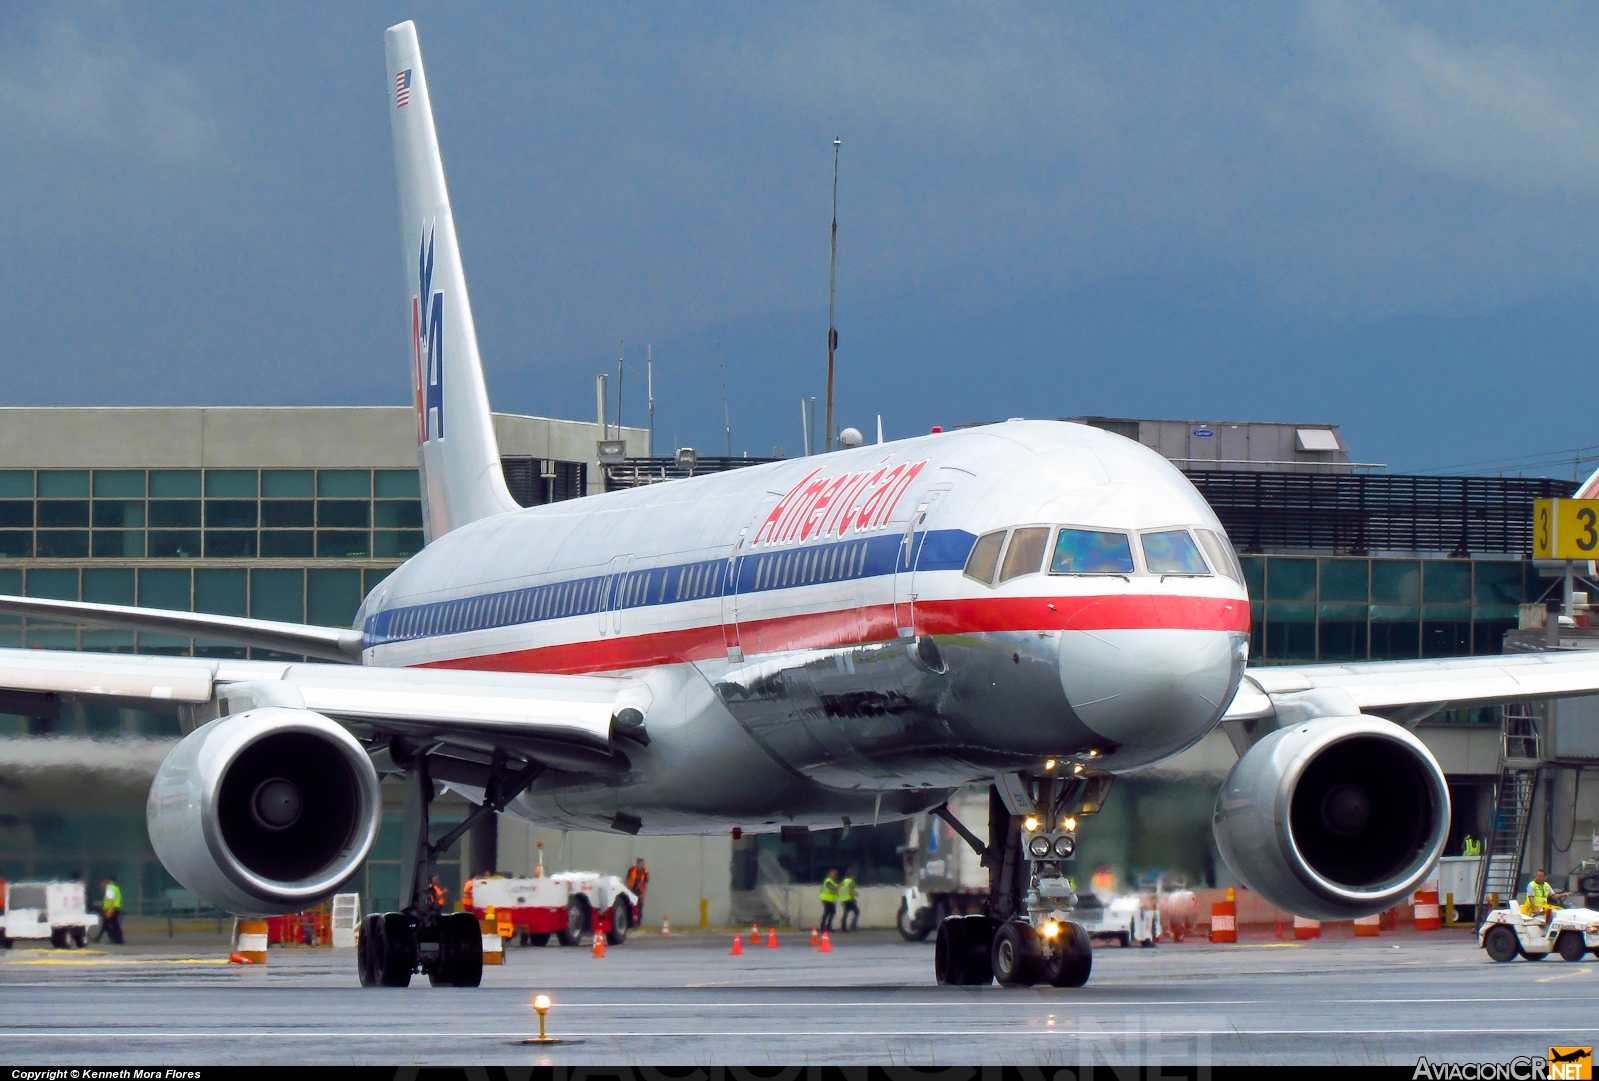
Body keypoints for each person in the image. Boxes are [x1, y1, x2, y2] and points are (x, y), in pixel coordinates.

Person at [93, 876, 124, 945]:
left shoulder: (109, 889)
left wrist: (110, 910)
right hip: (115, 909)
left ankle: (116, 939)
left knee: (109, 925)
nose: (101, 885)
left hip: (111, 910)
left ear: (105, 882)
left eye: (101, 883)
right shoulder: (115, 888)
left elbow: (111, 900)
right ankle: (117, 939)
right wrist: (101, 904)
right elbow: (109, 900)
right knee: (113, 925)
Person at [625, 858, 649, 926]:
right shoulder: (632, 870)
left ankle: (638, 924)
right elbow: (627, 879)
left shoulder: (645, 872)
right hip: (632, 891)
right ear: (637, 864)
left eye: (643, 864)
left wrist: (643, 893)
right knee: (631, 907)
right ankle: (630, 923)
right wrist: (627, 890)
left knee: (640, 907)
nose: (643, 866)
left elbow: (645, 883)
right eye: (641, 864)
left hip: (640, 892)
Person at [818, 869, 840, 933]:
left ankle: (828, 926)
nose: (835, 875)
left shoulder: (833, 881)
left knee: (832, 912)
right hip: (826, 899)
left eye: (835, 874)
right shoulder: (828, 881)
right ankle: (823, 927)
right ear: (829, 874)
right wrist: (839, 886)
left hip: (831, 899)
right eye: (833, 874)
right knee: (827, 912)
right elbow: (832, 887)